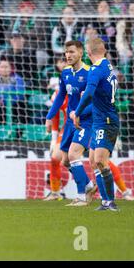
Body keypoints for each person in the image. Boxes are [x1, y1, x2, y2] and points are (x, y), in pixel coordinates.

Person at [46, 41, 97, 206]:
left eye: (72, 52)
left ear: (81, 53)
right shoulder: (66, 73)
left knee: (75, 155)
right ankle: (89, 185)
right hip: (70, 122)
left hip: (85, 121)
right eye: (66, 52)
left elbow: (96, 101)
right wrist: (49, 115)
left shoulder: (91, 73)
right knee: (65, 161)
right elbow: (61, 95)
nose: (68, 55)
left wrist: (80, 113)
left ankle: (81, 196)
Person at [73, 38, 121, 211]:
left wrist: (77, 112)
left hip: (106, 121)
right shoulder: (107, 65)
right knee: (93, 161)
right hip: (100, 120)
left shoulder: (95, 69)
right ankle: (105, 202)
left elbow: (89, 94)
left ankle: (110, 202)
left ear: (88, 52)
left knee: (101, 161)